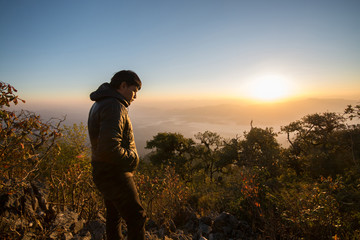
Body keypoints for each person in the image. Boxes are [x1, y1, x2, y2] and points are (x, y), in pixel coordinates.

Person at [88, 70, 146, 240]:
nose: (135, 96)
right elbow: (109, 148)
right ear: (123, 85)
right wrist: (133, 158)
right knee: (137, 217)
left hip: (102, 171)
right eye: (134, 90)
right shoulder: (114, 106)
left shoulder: (100, 103)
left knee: (114, 215)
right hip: (115, 172)